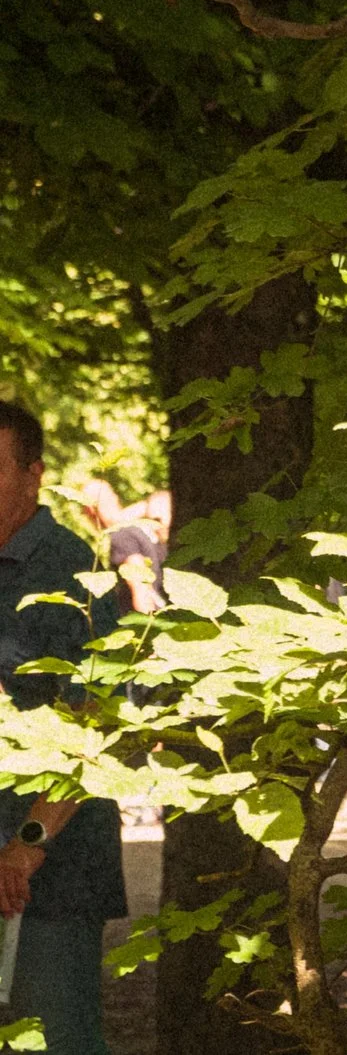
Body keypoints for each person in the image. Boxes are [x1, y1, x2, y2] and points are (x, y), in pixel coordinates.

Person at [0, 402, 126, 1055]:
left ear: (33, 475)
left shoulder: (74, 573)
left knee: (54, 1044)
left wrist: (26, 844)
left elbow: (97, 725)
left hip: (48, 875)